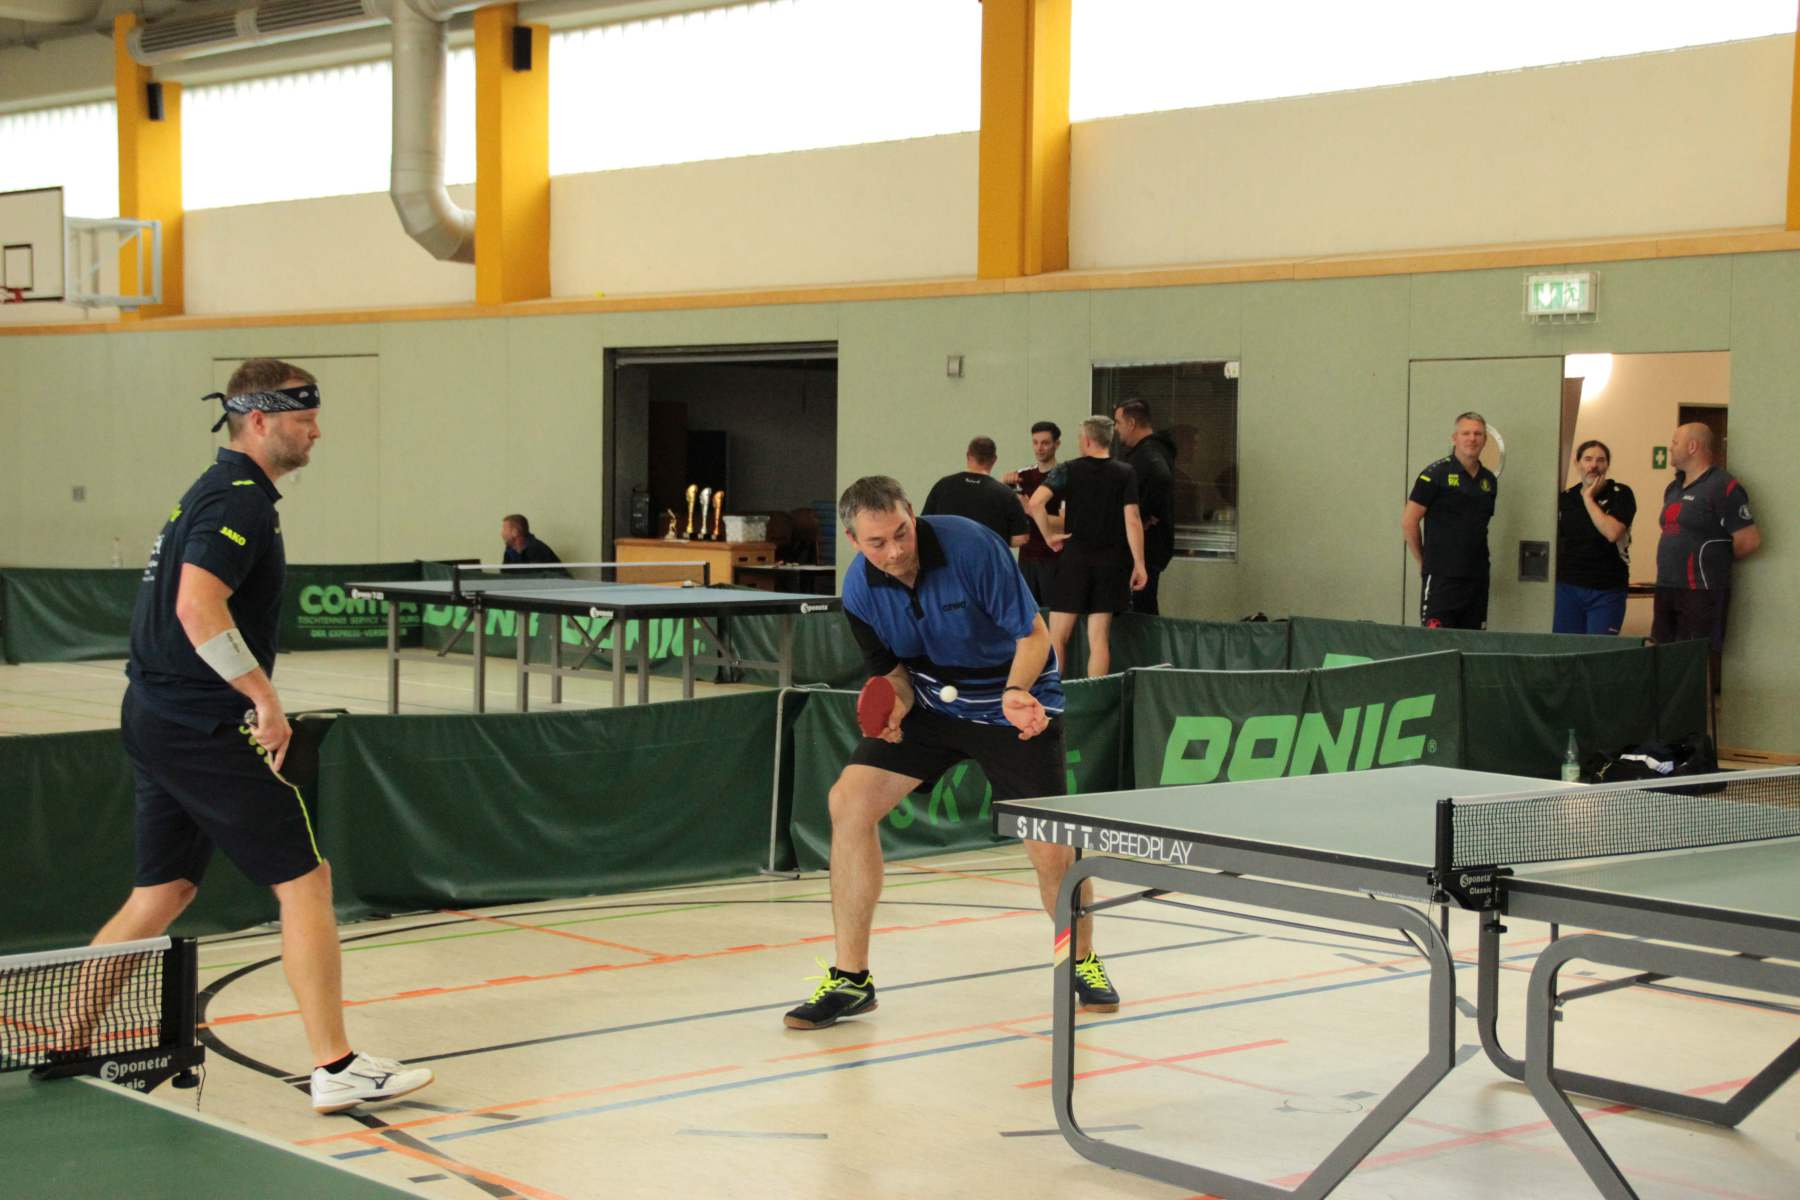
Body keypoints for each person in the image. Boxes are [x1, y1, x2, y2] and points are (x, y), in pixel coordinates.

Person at [84, 359, 433, 1114]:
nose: (317, 432)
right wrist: (263, 698)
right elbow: (197, 606)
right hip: (202, 723)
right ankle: (336, 1065)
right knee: (305, 880)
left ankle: (69, 1036)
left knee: (163, 891)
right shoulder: (237, 499)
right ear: (260, 420)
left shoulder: (213, 491)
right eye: (304, 419)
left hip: (155, 714)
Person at [783, 477, 1119, 1029]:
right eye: (877, 543)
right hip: (932, 703)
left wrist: (1016, 692)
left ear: (912, 514)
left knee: (1050, 848)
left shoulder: (972, 546)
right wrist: (894, 707)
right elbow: (892, 674)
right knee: (849, 802)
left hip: (1012, 700)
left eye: (901, 533)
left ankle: (1080, 960)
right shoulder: (860, 590)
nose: (894, 551)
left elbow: (1034, 636)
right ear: (853, 541)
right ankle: (851, 979)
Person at [1027, 415, 1148, 678]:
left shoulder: (1068, 469)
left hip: (1075, 560)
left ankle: (1056, 694)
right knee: (1099, 639)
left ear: (1087, 440)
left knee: (1058, 636)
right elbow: (1133, 519)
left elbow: (1035, 503)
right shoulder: (1125, 472)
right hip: (1111, 563)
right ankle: (1095, 695)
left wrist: (1048, 536)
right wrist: (1139, 564)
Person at [1652, 422, 1759, 690]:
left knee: (1694, 665)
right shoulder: (1673, 488)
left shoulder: (1723, 486)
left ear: (1692, 446)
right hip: (1667, 587)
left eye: (1675, 442)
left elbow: (1749, 541)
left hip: (1701, 592)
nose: (1670, 447)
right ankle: (1668, 716)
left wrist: (1712, 562)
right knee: (1662, 658)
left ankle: (1695, 716)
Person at [1402, 412, 1498, 629]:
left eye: (1477, 434)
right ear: (1455, 438)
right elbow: (1409, 521)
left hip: (1477, 578)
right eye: (1466, 433)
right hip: (1441, 578)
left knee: (1473, 643)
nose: (1472, 438)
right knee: (1436, 643)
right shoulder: (1434, 475)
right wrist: (1424, 561)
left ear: (1485, 440)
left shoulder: (1489, 481)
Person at [1554, 439, 1635, 635]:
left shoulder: (1621, 494)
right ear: (1577, 463)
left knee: (1599, 649)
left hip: (1607, 590)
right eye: (1588, 459)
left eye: (1600, 460)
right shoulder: (1565, 499)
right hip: (1568, 588)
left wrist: (1588, 499)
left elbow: (1612, 533)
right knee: (1567, 648)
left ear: (1607, 465)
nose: (1593, 465)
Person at [1111, 399, 1176, 614]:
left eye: (1118, 422)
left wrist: (1143, 515)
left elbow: (1161, 478)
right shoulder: (1154, 450)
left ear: (1131, 423)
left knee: (1141, 609)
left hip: (1146, 547)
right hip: (1150, 547)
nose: (1116, 428)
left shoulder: (1148, 453)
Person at [920, 436, 1030, 547]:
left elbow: (923, 525)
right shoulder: (1006, 493)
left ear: (968, 455)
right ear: (994, 459)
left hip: (948, 555)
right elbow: (1021, 538)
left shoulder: (942, 486)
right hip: (985, 556)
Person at [1001, 421, 1063, 606]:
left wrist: (1031, 509)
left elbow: (1065, 523)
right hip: (1027, 558)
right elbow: (1005, 514)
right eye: (1035, 442)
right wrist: (1004, 485)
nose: (1039, 448)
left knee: (1053, 613)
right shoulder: (1022, 476)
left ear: (1056, 444)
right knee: (1029, 613)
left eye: (1045, 443)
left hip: (1054, 558)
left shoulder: (1064, 476)